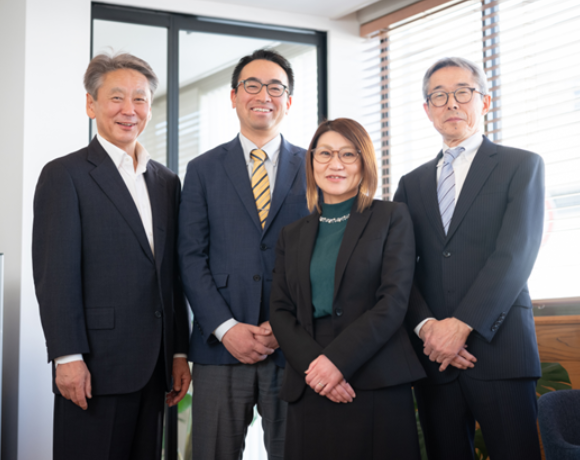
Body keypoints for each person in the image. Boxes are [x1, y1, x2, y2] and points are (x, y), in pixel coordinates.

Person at [32, 53, 191, 460]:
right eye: (116, 97)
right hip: (94, 366)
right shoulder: (64, 175)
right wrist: (67, 357)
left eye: (140, 99)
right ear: (91, 105)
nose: (129, 110)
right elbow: (55, 275)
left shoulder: (167, 181)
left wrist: (178, 352)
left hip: (155, 367)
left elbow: (170, 276)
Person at [394, 57, 544, 460]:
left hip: (501, 352)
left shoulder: (521, 165)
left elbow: (515, 254)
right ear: (427, 110)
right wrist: (428, 328)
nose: (451, 103)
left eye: (463, 92)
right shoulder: (410, 184)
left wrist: (460, 326)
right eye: (439, 96)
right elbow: (400, 269)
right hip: (434, 360)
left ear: (485, 101)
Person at [178, 49, 309, 459]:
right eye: (252, 85)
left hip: (293, 348)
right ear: (234, 97)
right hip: (220, 347)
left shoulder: (316, 167)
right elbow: (190, 257)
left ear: (289, 101)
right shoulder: (202, 169)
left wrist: (285, 325)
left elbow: (326, 256)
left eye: (275, 87)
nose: (263, 95)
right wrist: (225, 327)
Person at [269, 118, 426, 460]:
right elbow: (279, 309)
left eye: (347, 154)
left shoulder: (392, 217)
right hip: (310, 376)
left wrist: (338, 361)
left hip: (374, 373)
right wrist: (317, 366)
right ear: (312, 162)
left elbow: (393, 300)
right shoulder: (291, 234)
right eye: (325, 153)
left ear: (363, 162)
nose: (335, 164)